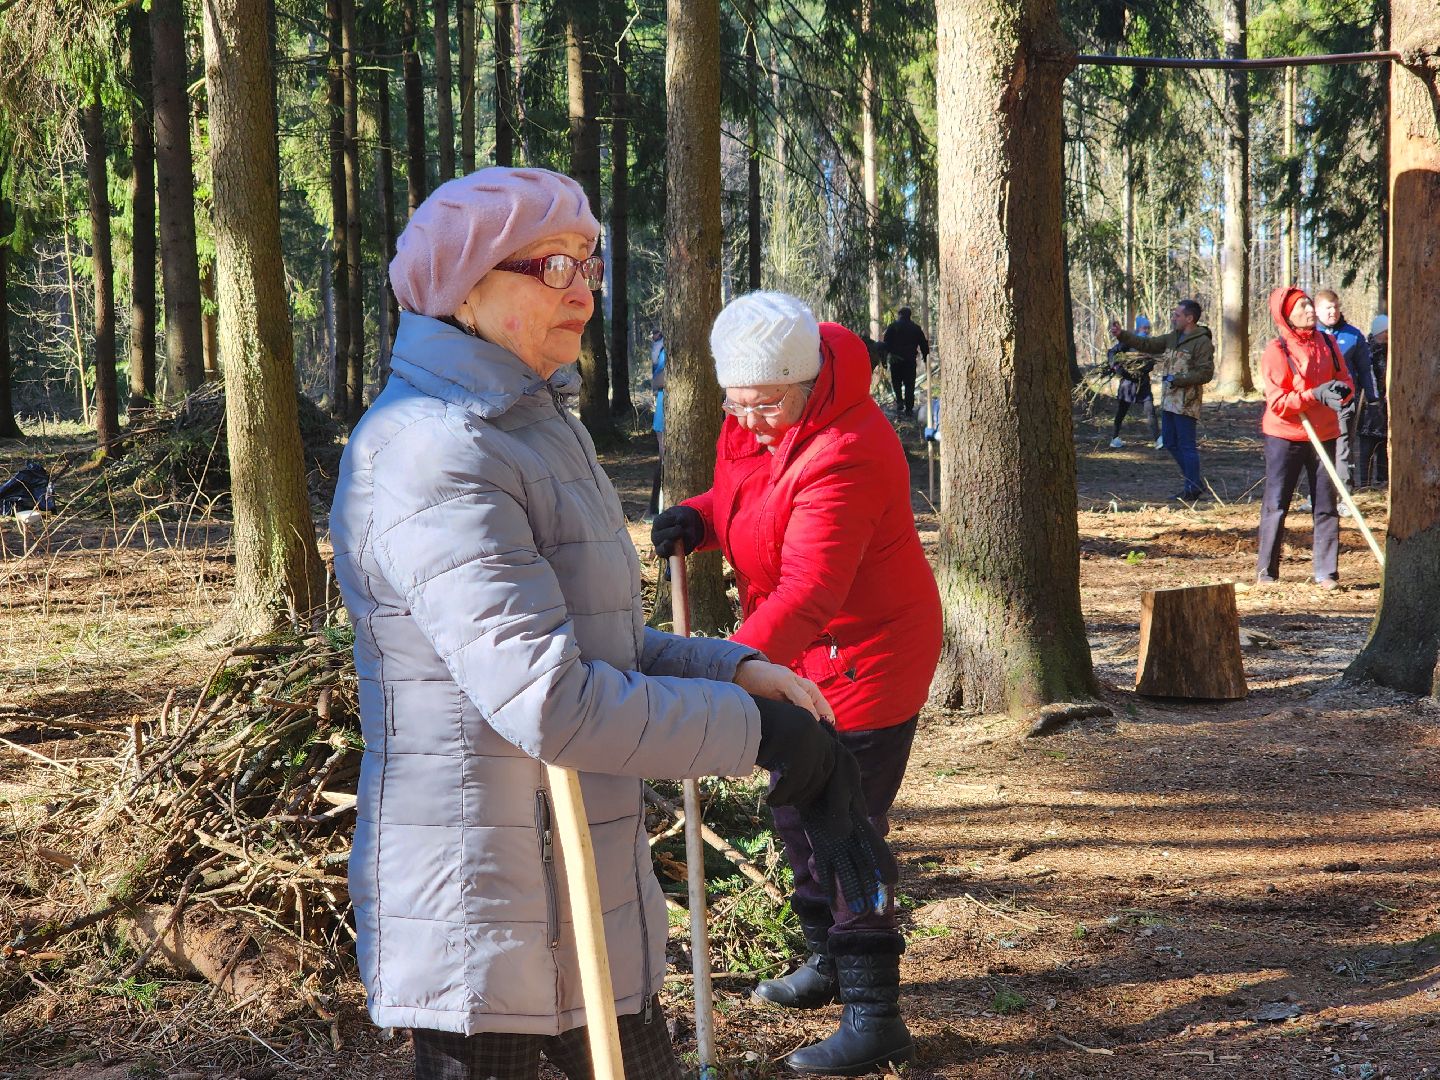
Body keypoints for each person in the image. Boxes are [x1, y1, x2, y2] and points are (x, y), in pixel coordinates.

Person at [329, 168, 868, 1080]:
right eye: (550, 265)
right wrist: (760, 734)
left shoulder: (535, 426)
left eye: (589, 262)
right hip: (484, 916)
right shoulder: (432, 449)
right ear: (465, 287)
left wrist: (732, 670)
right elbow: (553, 702)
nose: (582, 289)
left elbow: (596, 643)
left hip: (584, 898)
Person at [650, 291, 943, 1076]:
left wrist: (723, 668)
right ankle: (827, 960)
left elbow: (811, 587)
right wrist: (702, 519)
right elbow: (754, 499)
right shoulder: (765, 416)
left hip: (866, 658)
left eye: (763, 404)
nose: (745, 420)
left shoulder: (847, 445)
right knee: (794, 810)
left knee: (845, 826)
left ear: (808, 383)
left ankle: (875, 1014)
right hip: (797, 660)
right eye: (733, 404)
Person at [1255, 286, 1354, 589]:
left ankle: (1327, 572)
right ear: (1286, 316)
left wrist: (1342, 394)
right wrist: (1314, 394)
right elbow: (1278, 403)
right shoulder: (1277, 350)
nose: (1310, 311)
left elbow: (1345, 379)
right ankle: (1267, 572)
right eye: (1302, 307)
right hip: (1285, 436)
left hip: (1325, 434)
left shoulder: (1327, 341)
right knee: (1276, 503)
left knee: (1325, 504)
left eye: (1310, 305)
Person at [1109, 300, 1214, 501]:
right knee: (1169, 441)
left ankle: (1191, 487)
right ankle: (1195, 482)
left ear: (1189, 318)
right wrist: (1122, 334)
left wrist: (1180, 380)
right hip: (1168, 400)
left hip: (1186, 402)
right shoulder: (1173, 337)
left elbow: (1206, 373)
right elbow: (1147, 344)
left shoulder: (1202, 342)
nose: (1173, 318)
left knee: (1186, 445)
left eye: (1177, 315)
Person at [1314, 289, 1374, 515]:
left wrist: (1372, 397)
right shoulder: (1311, 335)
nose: (1332, 312)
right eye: (1327, 308)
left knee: (1342, 447)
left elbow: (1364, 369)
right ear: (1317, 310)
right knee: (1317, 448)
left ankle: (1344, 496)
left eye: (1336, 307)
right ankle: (1317, 495)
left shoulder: (1352, 335)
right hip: (1316, 401)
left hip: (1344, 400)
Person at [1106, 314, 1159, 449]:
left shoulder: (1149, 344)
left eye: (1148, 328)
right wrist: (1116, 367)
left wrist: (1148, 366)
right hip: (1127, 385)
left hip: (1143, 383)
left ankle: (1158, 439)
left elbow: (1151, 362)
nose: (1146, 330)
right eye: (1144, 327)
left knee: (1150, 411)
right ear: (1138, 328)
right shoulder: (1128, 342)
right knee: (1121, 411)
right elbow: (1112, 352)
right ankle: (1114, 438)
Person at [881, 306, 929, 421]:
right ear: (909, 315)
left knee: (896, 382)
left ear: (900, 315)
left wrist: (884, 360)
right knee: (909, 384)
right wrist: (925, 357)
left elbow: (886, 344)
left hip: (896, 360)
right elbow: (923, 344)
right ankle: (908, 409)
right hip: (909, 360)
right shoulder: (916, 328)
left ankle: (899, 402)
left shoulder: (892, 327)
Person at [1357, 314, 1389, 488]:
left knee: (1384, 443)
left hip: (1386, 404)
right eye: (1385, 332)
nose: (1388, 336)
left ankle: (1383, 479)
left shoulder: (1391, 350)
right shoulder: (1367, 351)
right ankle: (1365, 482)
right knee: (1367, 445)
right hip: (1369, 405)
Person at [646, 329, 666, 521]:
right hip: (664, 417)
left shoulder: (666, 349)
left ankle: (656, 511)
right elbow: (658, 379)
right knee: (664, 461)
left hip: (665, 415)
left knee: (665, 461)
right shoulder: (666, 350)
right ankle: (656, 511)